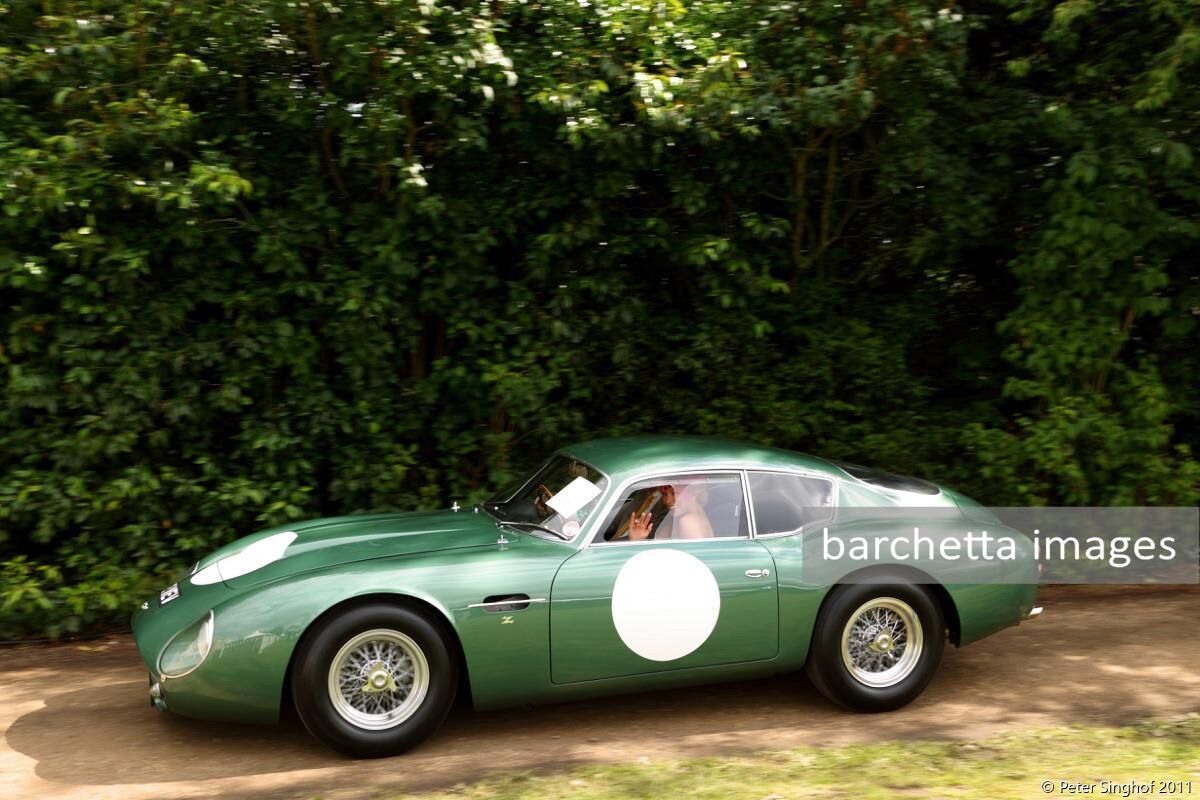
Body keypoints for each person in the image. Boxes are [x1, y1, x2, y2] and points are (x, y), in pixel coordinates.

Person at [628, 482, 714, 540]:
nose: (668, 501)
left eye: (674, 493)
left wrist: (635, 541)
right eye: (665, 494)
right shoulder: (693, 516)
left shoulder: (688, 521)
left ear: (694, 493)